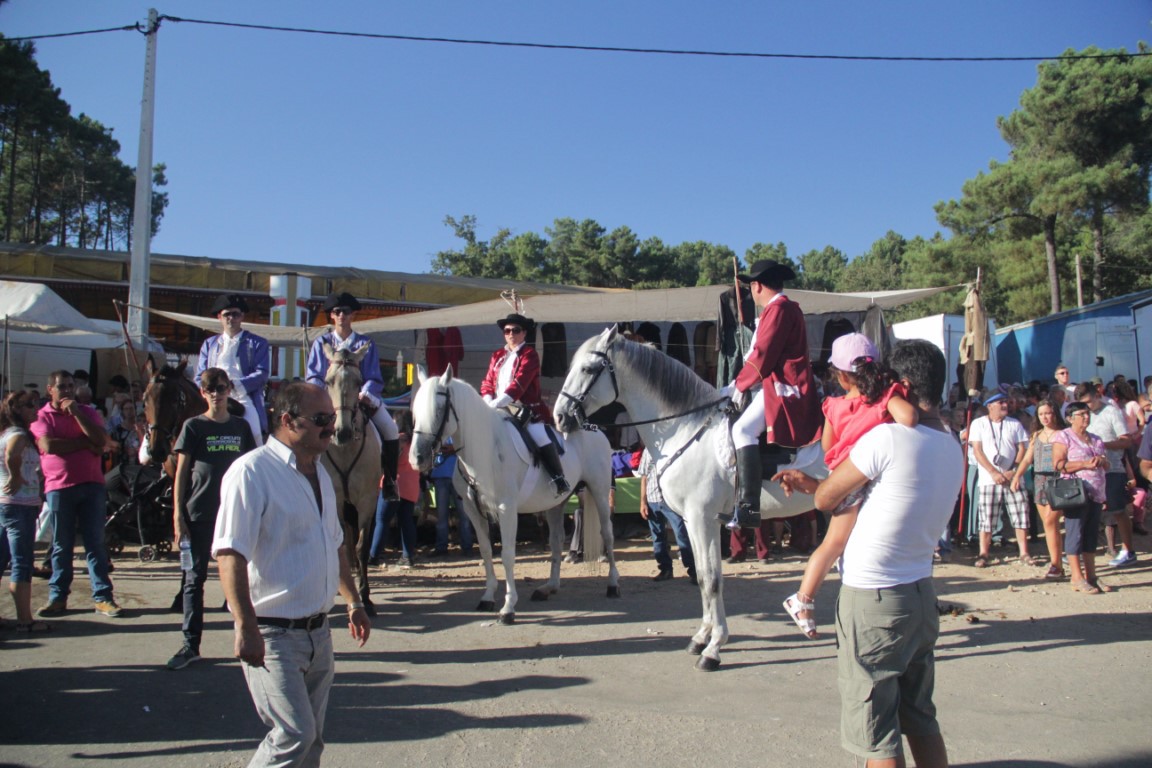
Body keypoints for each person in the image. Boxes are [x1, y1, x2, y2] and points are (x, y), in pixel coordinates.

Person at [774, 339, 962, 768]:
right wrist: (818, 488)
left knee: (876, 736)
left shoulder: (887, 439)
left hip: (874, 600)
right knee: (920, 718)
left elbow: (826, 499)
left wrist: (812, 486)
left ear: (905, 384)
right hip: (919, 591)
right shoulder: (952, 443)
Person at [212, 381, 371, 767]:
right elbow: (230, 554)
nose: (331, 427)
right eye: (321, 420)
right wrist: (244, 625)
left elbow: (335, 545)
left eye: (332, 418)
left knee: (312, 740)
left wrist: (353, 601)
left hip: (319, 633)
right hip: (273, 635)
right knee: (293, 736)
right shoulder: (251, 473)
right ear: (286, 420)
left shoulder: (322, 475)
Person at [782, 334, 917, 638]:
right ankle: (802, 598)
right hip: (865, 479)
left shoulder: (833, 406)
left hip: (844, 476)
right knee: (836, 542)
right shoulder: (885, 398)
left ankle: (805, 599)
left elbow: (829, 446)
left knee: (835, 544)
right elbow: (909, 418)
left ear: (841, 376)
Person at [167, 368, 257, 671]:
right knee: (194, 580)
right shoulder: (193, 427)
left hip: (234, 514)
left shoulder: (241, 427)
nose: (216, 393)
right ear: (203, 393)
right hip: (199, 513)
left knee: (246, 579)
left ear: (229, 389)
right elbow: (182, 473)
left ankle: (251, 638)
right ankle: (190, 645)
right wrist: (178, 513)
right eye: (210, 389)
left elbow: (251, 470)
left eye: (220, 387)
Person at [728, 259, 821, 529]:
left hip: (783, 387)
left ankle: (748, 507)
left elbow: (763, 355)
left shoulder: (778, 310)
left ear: (757, 286)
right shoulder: (784, 308)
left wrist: (739, 385)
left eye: (751, 287)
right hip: (777, 382)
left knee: (742, 431)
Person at [31, 370, 121, 618]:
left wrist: (78, 414)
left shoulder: (87, 412)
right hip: (59, 487)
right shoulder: (42, 417)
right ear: (51, 389)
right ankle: (58, 597)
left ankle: (103, 597)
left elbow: (101, 439)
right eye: (62, 386)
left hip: (91, 484)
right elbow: (48, 446)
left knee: (96, 543)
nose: (67, 391)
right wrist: (84, 444)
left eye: (71, 386)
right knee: (61, 545)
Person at [305, 291, 401, 500]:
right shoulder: (321, 343)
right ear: (331, 315)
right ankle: (304, 480)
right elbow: (313, 376)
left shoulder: (365, 344)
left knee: (391, 429)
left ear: (352, 315)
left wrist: (365, 393)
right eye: (337, 312)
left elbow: (374, 377)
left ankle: (390, 481)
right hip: (327, 402)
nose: (341, 315)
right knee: (303, 433)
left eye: (346, 312)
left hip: (359, 400)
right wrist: (323, 396)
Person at [480, 312, 568, 495]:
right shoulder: (497, 355)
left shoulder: (530, 354)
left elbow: (519, 384)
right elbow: (487, 382)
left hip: (526, 408)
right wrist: (488, 401)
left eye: (516, 330)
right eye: (507, 330)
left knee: (538, 434)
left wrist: (496, 403)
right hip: (496, 407)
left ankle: (558, 478)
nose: (511, 334)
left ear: (524, 333)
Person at [968, 391, 1036, 568]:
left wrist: (1013, 470)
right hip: (988, 479)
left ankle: (1024, 552)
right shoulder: (978, 424)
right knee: (987, 518)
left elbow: (1022, 448)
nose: (1005, 405)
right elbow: (977, 451)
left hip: (1013, 478)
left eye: (1005, 402)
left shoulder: (1014, 424)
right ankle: (984, 553)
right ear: (990, 406)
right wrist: (993, 472)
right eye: (1000, 403)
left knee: (1020, 514)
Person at [0, 392, 48, 633]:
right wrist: (16, 476)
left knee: (3, 557)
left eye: (36, 404)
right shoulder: (18, 434)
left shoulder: (7, 432)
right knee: (22, 561)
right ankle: (24, 620)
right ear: (16, 409)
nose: (35, 409)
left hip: (8, 502)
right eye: (29, 405)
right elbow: (11, 454)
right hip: (18, 503)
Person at [1051, 401, 1110, 593]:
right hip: (1075, 492)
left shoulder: (1096, 439)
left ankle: (1091, 575)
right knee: (1075, 532)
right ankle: (1077, 576)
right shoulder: (1063, 436)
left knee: (1091, 534)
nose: (1086, 416)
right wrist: (1084, 464)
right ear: (1070, 418)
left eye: (1087, 413)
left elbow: (1107, 464)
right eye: (1081, 414)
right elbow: (1059, 464)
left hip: (1096, 492)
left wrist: (1101, 461)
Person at [1075, 382, 1137, 567]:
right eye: (1083, 404)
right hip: (1087, 472)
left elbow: (1126, 441)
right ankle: (1080, 551)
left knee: (1117, 510)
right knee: (1085, 512)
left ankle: (1128, 550)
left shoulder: (1112, 412)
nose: (1087, 407)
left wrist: (1102, 445)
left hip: (1112, 469)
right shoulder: (1083, 415)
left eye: (1089, 402)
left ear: (1097, 395)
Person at [195, 293, 268, 447]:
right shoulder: (209, 344)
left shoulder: (258, 343)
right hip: (211, 395)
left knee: (254, 431)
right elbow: (199, 376)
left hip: (242, 396)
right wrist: (208, 391)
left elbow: (262, 374)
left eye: (235, 314)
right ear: (219, 317)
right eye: (226, 314)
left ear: (242, 316)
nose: (231, 318)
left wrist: (235, 385)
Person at [1011, 399, 1068, 579]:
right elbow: (1028, 459)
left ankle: (1056, 565)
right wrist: (1017, 476)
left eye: (1048, 413)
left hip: (1058, 479)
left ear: (1054, 413)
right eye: (1041, 413)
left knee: (1051, 522)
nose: (1044, 417)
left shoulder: (1064, 433)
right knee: (1049, 525)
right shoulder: (1036, 435)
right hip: (1040, 479)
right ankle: (1056, 562)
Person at [638, 447, 696, 584]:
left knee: (681, 534)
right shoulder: (647, 450)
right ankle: (665, 569)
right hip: (652, 500)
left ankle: (693, 570)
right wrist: (643, 502)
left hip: (670, 500)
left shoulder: (673, 447)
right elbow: (644, 477)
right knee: (657, 537)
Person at [369, 413, 420, 568]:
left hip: (393, 484)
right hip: (411, 486)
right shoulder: (415, 442)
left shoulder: (397, 440)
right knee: (406, 522)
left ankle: (374, 556)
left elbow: (387, 460)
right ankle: (408, 557)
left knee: (382, 520)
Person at [428, 437, 474, 558]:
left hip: (459, 475)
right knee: (441, 515)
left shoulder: (458, 429)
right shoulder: (438, 431)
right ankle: (441, 547)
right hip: (440, 474)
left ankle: (467, 546)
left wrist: (452, 448)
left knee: (464, 515)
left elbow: (467, 445)